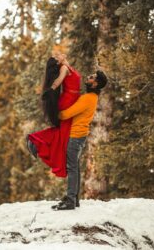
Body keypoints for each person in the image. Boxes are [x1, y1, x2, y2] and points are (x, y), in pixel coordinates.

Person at [51, 70, 108, 210]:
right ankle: (73, 198)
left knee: (72, 168)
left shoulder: (88, 98)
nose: (89, 77)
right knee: (74, 167)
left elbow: (67, 114)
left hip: (76, 136)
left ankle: (71, 200)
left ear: (95, 84)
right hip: (79, 136)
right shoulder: (91, 97)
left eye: (92, 77)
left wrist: (53, 113)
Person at [26, 51, 81, 177]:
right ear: (58, 61)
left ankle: (36, 141)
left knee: (63, 133)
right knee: (63, 134)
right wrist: (51, 89)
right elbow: (59, 80)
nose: (59, 54)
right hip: (68, 101)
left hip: (71, 100)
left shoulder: (68, 66)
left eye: (58, 54)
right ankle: (35, 140)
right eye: (57, 56)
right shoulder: (64, 68)